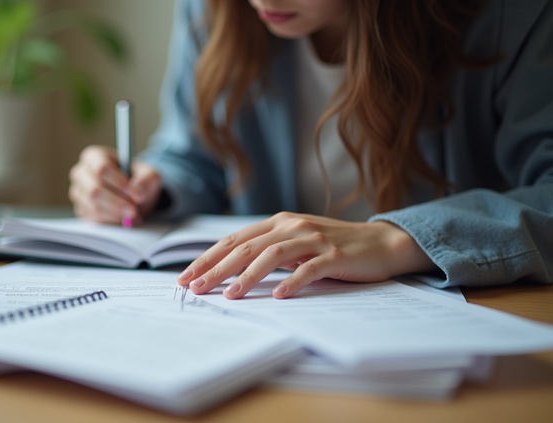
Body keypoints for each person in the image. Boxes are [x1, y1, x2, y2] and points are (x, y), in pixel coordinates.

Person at [68, 0, 553, 299]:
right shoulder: (215, 7)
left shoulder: (509, 15)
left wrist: (394, 241)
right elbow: (195, 156)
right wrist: (151, 185)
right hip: (279, 314)